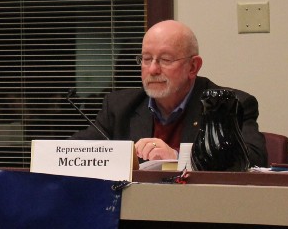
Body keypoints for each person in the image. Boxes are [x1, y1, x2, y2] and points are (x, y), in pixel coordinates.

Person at [72, 19, 267, 167]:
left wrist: (176, 157)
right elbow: (75, 151)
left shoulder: (229, 104)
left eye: (165, 60)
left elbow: (255, 160)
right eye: (146, 59)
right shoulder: (119, 106)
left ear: (193, 67)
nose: (153, 69)